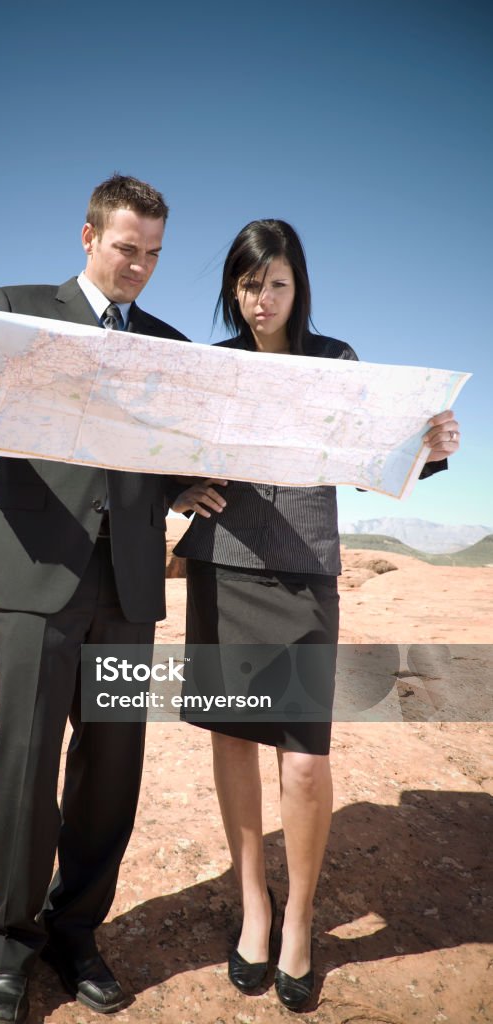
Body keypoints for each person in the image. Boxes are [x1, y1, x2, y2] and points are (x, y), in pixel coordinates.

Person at [0, 175, 193, 1024]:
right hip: (37, 567)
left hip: (130, 584)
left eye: (152, 254)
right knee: (27, 761)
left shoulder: (170, 344)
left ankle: (77, 932)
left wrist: (203, 476)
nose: (139, 267)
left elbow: (171, 458)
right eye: (125, 249)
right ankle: (9, 945)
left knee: (112, 773)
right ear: (87, 237)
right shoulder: (17, 309)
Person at [171, 219, 460, 1012]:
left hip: (303, 575)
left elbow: (376, 464)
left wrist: (430, 449)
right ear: (231, 291)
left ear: (298, 287)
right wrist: (177, 495)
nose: (259, 299)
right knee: (231, 740)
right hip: (221, 570)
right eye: (245, 285)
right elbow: (160, 448)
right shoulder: (215, 365)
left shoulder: (335, 363)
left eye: (275, 284)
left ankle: (299, 914)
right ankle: (253, 906)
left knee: (300, 757)